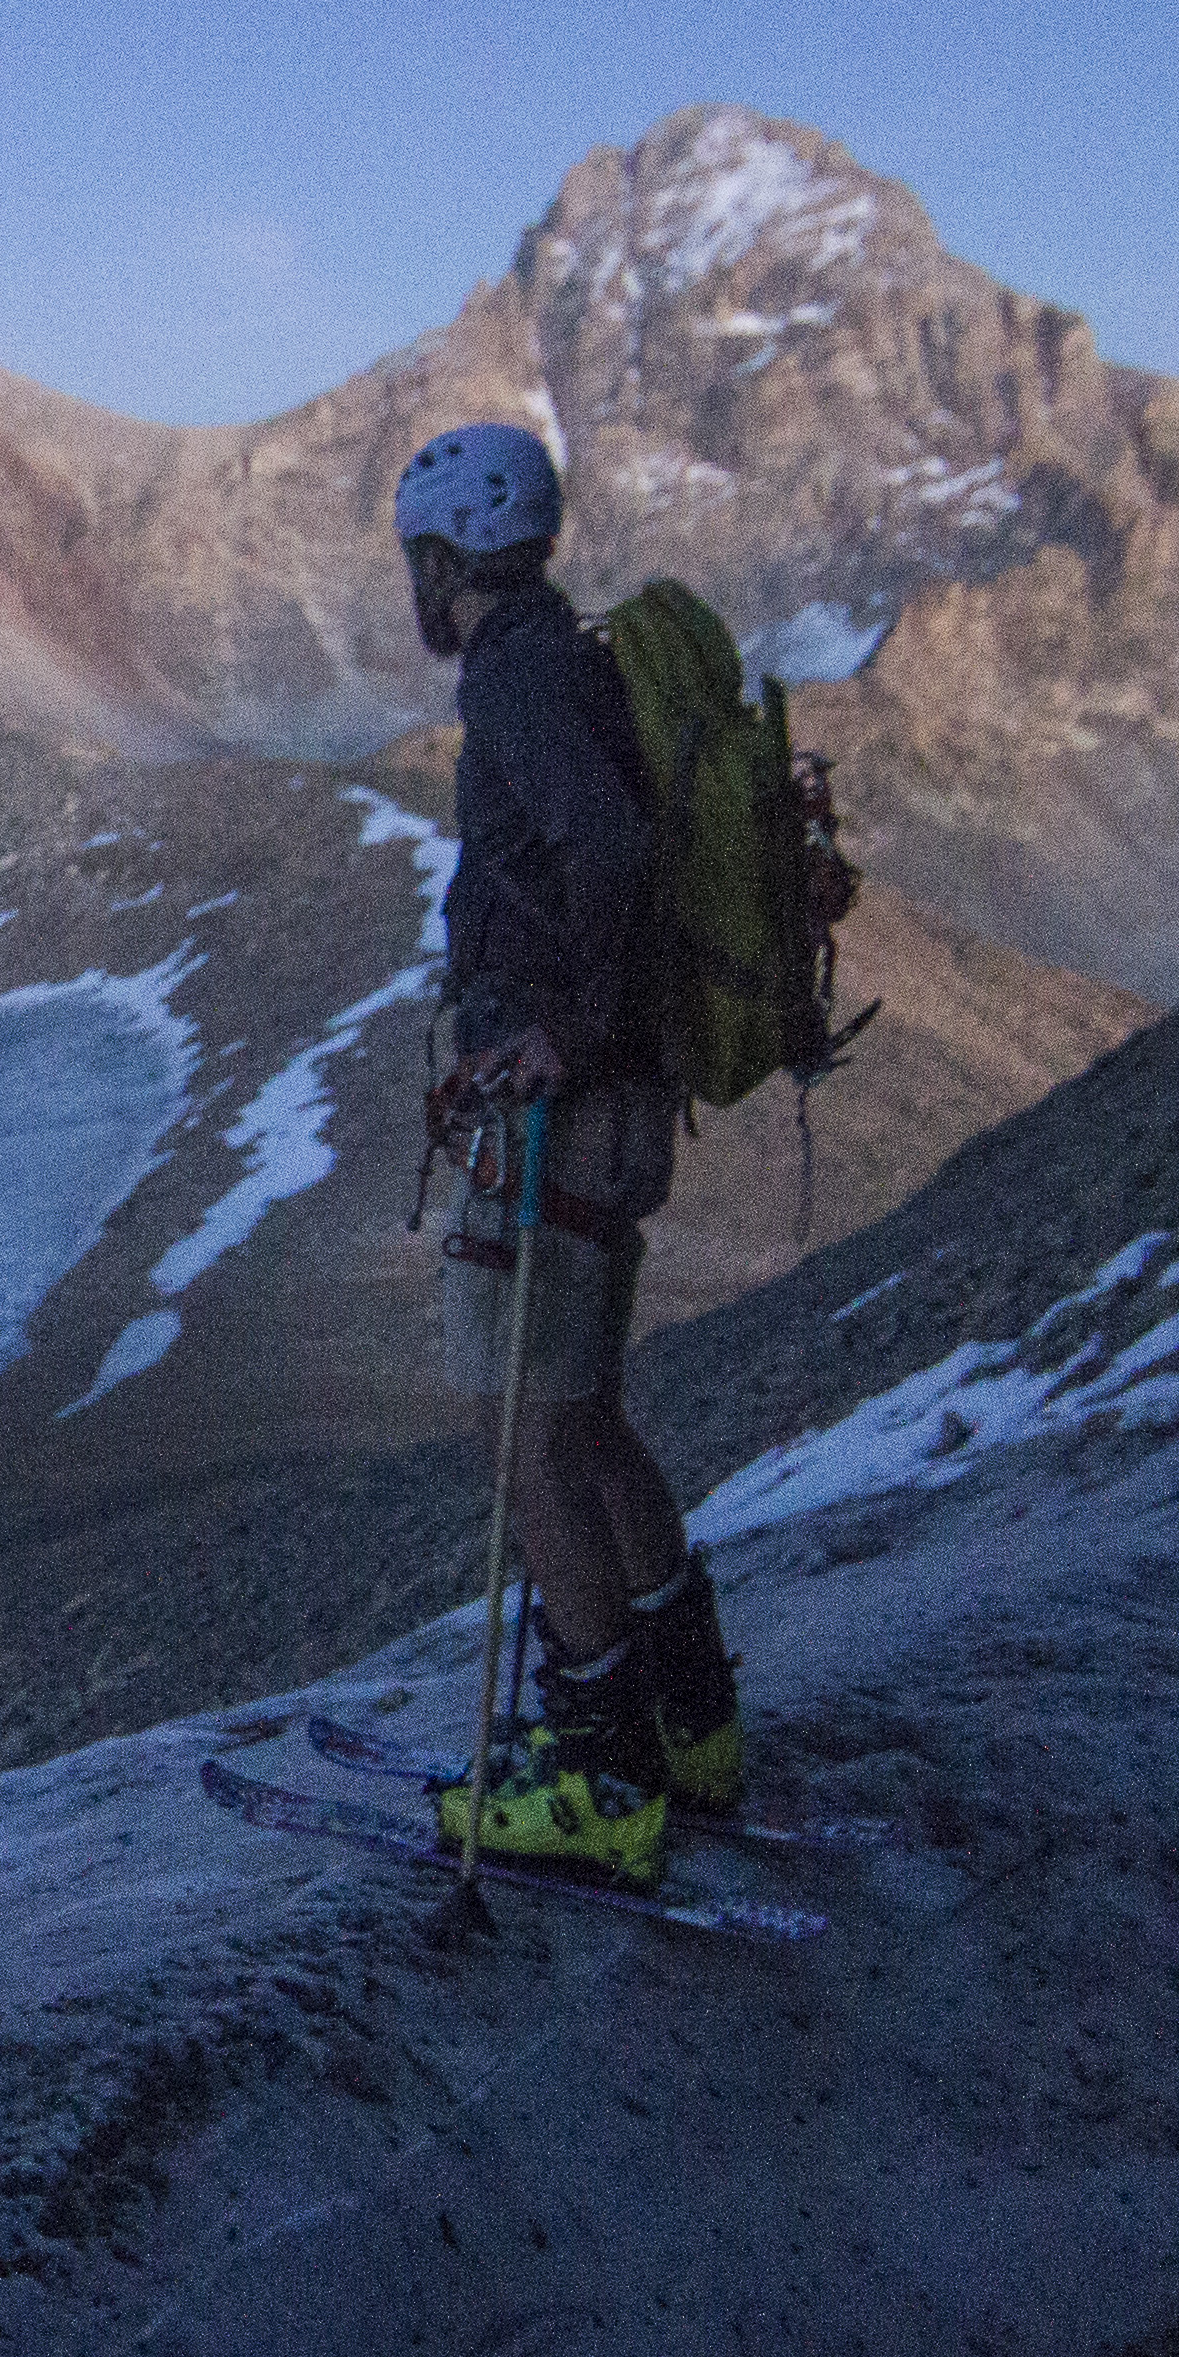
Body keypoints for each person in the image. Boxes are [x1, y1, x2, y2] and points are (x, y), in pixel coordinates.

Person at [394, 422, 747, 1886]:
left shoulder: (523, 676)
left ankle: (602, 1777)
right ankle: (691, 1720)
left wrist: (555, 1031)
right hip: (614, 1095)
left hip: (566, 1107)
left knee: (521, 1430)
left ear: (440, 561)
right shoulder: (564, 657)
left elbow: (604, 850)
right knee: (585, 1414)